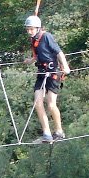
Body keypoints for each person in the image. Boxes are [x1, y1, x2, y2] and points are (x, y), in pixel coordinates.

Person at [24, 15, 71, 143]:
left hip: (53, 72)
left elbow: (58, 52)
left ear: (38, 28)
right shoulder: (34, 40)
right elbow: (38, 54)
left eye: (31, 29)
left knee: (50, 104)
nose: (29, 32)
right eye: (28, 29)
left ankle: (59, 131)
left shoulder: (47, 36)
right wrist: (31, 60)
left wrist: (65, 66)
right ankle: (47, 133)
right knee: (37, 103)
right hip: (41, 72)